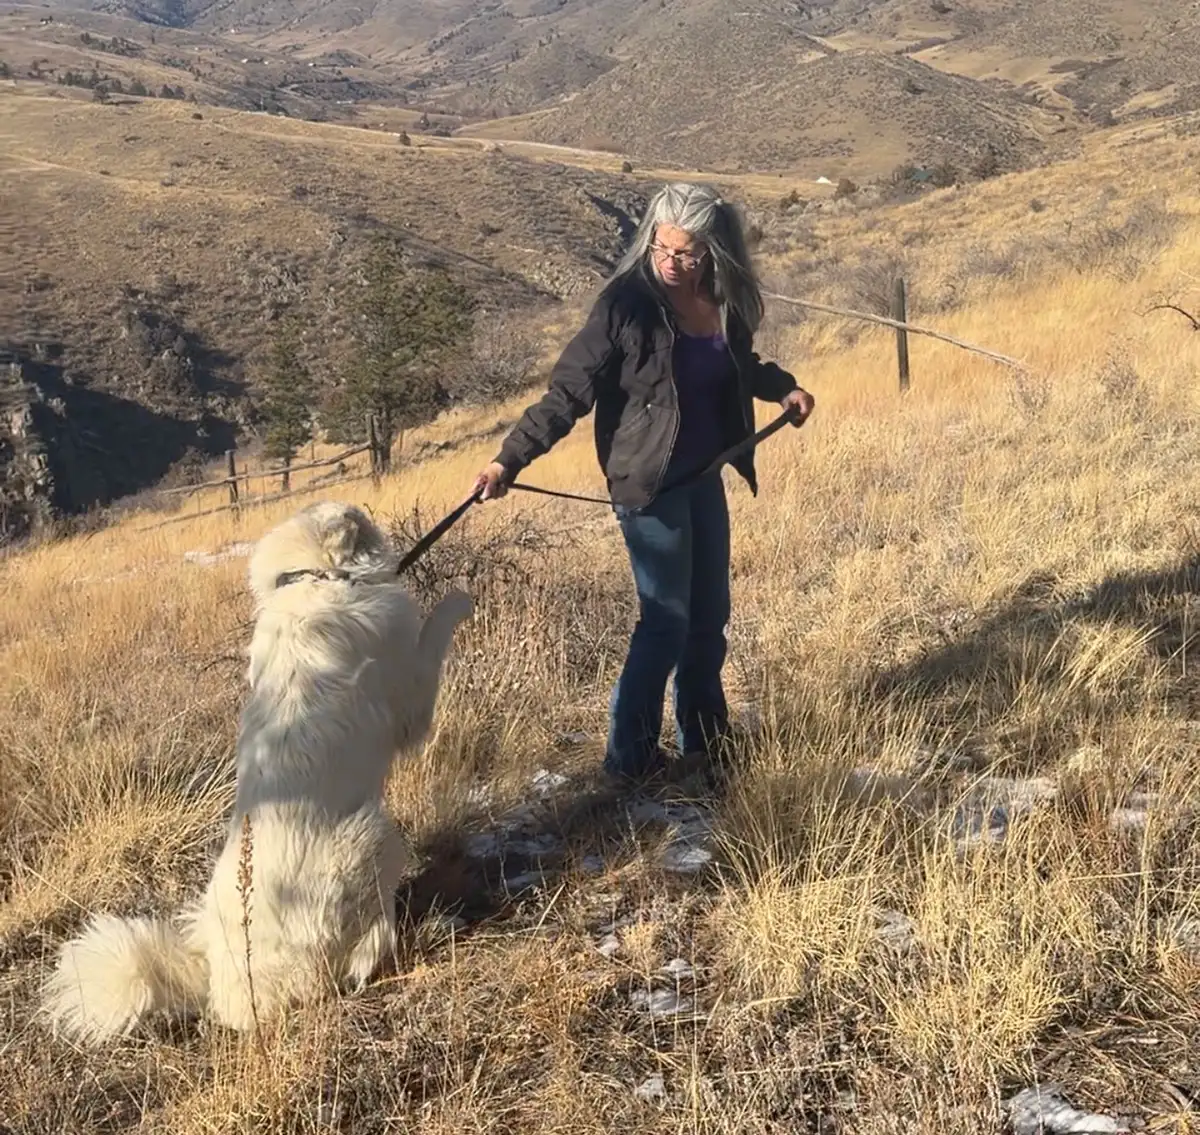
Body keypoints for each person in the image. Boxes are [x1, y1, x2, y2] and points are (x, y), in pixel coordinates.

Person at [472, 182, 814, 782]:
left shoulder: (721, 297)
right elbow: (568, 393)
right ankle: (628, 761)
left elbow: (740, 365)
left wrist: (782, 387)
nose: (671, 264)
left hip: (704, 478)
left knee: (710, 617)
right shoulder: (625, 305)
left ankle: (706, 743)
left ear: (713, 250)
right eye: (662, 248)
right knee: (666, 621)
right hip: (648, 486)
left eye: (686, 254)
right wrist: (508, 461)